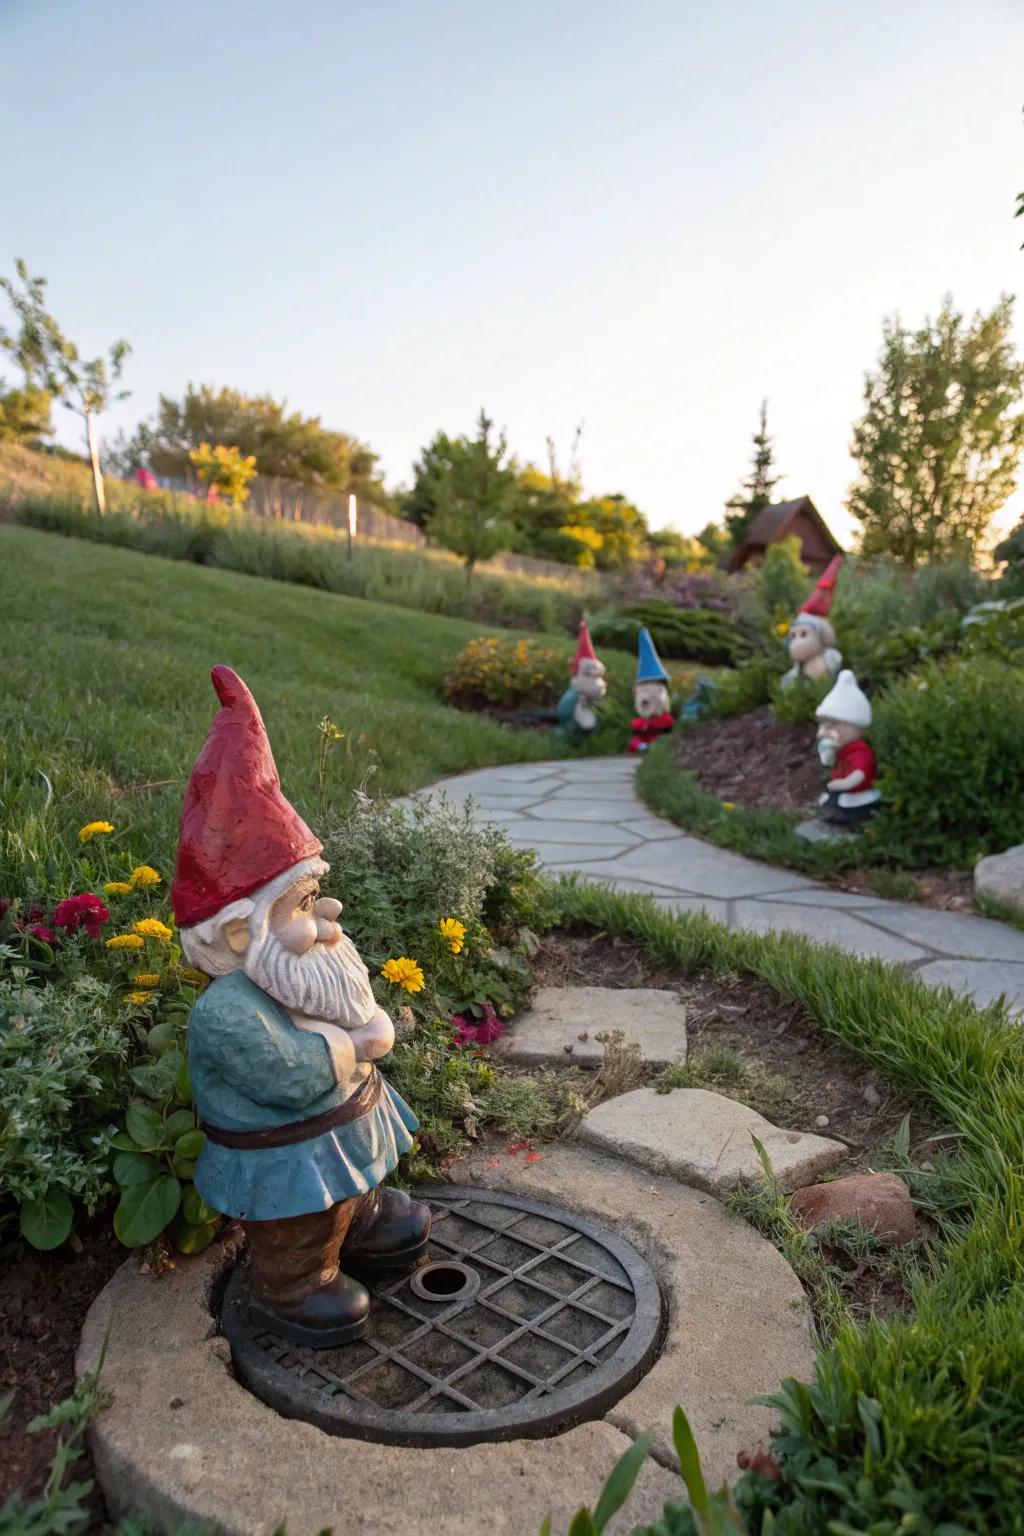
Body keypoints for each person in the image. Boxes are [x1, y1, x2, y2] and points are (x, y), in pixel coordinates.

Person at [171, 666, 429, 1348]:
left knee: (354, 1191)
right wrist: (356, 1044)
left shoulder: (296, 975)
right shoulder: (226, 1011)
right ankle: (294, 1284)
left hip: (341, 1133)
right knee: (300, 1222)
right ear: (236, 933)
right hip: (281, 1159)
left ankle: (363, 1222)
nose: (328, 917)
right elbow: (288, 1075)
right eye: (304, 906)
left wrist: (360, 1024)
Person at [814, 669, 880, 825]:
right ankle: (832, 812)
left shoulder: (860, 751)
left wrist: (843, 784)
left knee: (845, 803)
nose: (823, 733)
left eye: (831, 727)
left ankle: (845, 817)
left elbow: (859, 774)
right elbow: (831, 765)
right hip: (841, 787)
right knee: (829, 798)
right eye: (823, 728)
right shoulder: (841, 750)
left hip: (856, 791)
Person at [781, 555, 843, 687]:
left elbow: (835, 662)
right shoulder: (799, 665)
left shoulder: (829, 655)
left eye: (803, 634)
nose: (796, 642)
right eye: (793, 636)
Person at [627, 627, 674, 752]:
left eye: (647, 691)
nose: (644, 697)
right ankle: (644, 747)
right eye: (641, 691)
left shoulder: (664, 720)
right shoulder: (640, 722)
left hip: (659, 739)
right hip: (644, 741)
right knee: (634, 742)